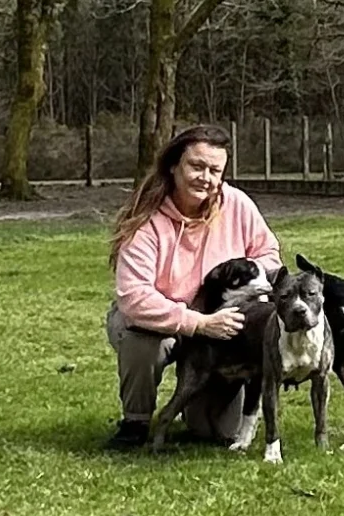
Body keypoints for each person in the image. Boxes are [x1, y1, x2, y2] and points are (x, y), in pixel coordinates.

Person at [104, 122, 284, 449]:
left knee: (216, 431)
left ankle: (196, 407)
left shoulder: (237, 204)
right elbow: (135, 298)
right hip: (155, 322)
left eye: (215, 170)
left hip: (220, 323)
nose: (206, 178)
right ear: (174, 165)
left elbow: (269, 253)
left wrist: (250, 277)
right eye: (196, 166)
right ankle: (136, 422)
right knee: (143, 344)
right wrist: (199, 323)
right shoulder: (146, 220)